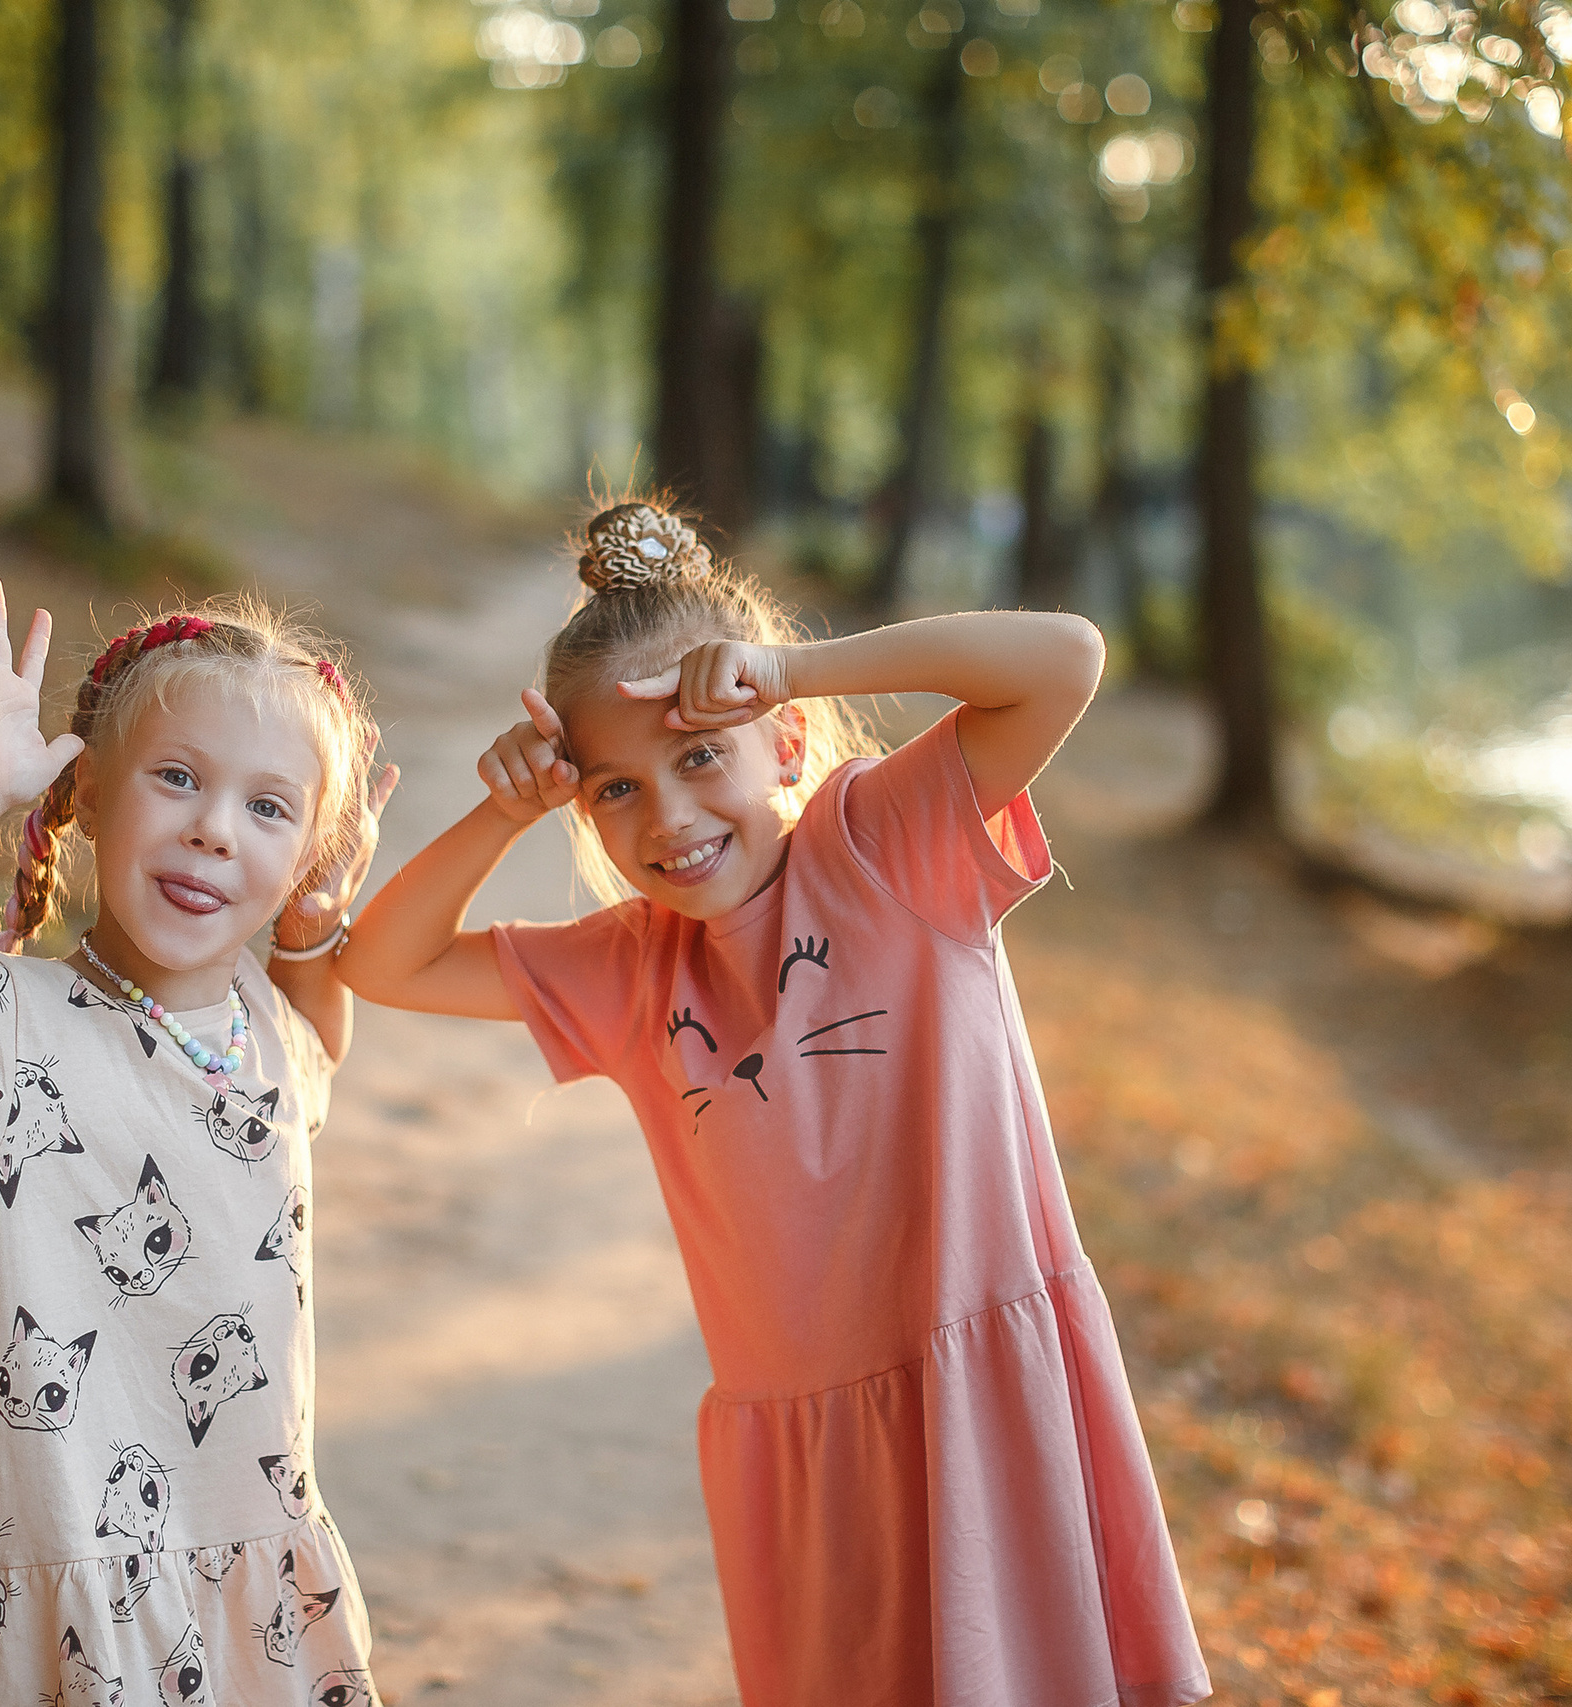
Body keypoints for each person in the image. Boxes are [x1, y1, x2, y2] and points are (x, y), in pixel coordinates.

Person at [338, 502, 1210, 1706]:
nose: (672, 820)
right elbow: (382, 965)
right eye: (615, 791)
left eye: (702, 755)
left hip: (982, 1408)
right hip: (811, 1467)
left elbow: (1066, 657)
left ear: (783, 742)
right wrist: (505, 808)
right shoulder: (634, 971)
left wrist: (795, 664)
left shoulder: (886, 847)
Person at [0, 573, 393, 1707]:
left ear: (308, 855)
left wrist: (320, 916)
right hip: (56, 1594)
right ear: (87, 791)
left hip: (258, 1599)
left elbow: (321, 1031)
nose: (211, 827)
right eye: (178, 778)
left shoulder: (267, 1029)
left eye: (268, 808)